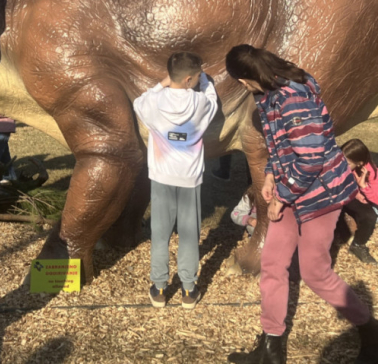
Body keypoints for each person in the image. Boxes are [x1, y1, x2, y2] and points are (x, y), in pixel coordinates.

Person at [225, 44, 378, 364]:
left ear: (243, 79)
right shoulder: (267, 94)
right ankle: (271, 351)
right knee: (272, 264)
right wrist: (269, 176)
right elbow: (281, 147)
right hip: (294, 189)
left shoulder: (293, 98)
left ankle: (371, 332)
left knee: (315, 272)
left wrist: (281, 196)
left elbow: (309, 159)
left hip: (322, 194)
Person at [133, 52, 218, 309]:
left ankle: (159, 288)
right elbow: (212, 98)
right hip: (189, 178)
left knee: (160, 234)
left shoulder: (155, 103)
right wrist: (205, 82)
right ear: (191, 79)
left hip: (161, 176)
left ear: (173, 76)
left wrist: (163, 83)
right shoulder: (200, 104)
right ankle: (188, 290)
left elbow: (139, 102)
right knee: (190, 234)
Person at [341, 139, 378, 264]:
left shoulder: (371, 171)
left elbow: (376, 199)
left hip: (351, 197)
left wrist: (363, 187)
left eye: (346, 162)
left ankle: (358, 245)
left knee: (370, 216)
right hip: (342, 192)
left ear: (359, 163)